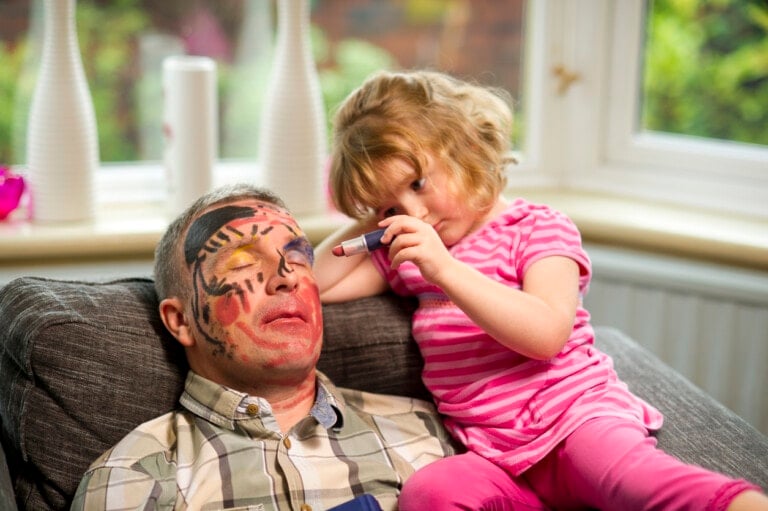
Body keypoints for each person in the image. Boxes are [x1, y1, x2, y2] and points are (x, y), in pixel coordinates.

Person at [313, 70, 768, 511]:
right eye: (393, 205)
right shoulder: (414, 255)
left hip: (574, 422)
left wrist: (446, 270)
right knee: (430, 493)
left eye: (418, 183)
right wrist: (376, 215)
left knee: (631, 479)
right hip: (493, 453)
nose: (415, 213)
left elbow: (546, 334)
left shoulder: (536, 229)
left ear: (466, 147)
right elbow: (317, 282)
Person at [70, 183, 455, 511]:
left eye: (297, 258)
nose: (286, 278)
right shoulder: (132, 476)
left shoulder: (428, 433)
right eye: (240, 262)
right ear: (180, 320)